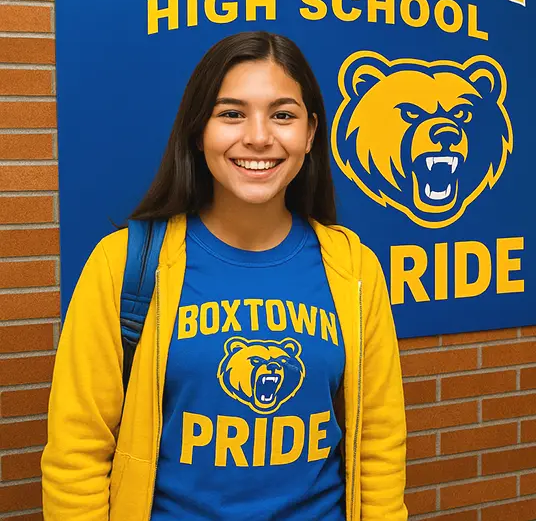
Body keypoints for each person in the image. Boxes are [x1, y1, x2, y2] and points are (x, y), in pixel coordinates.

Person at [40, 31, 408, 521]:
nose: (259, 136)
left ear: (311, 132)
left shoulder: (354, 268)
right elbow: (76, 454)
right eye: (231, 113)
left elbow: (380, 444)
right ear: (199, 131)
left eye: (283, 115)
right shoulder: (123, 264)